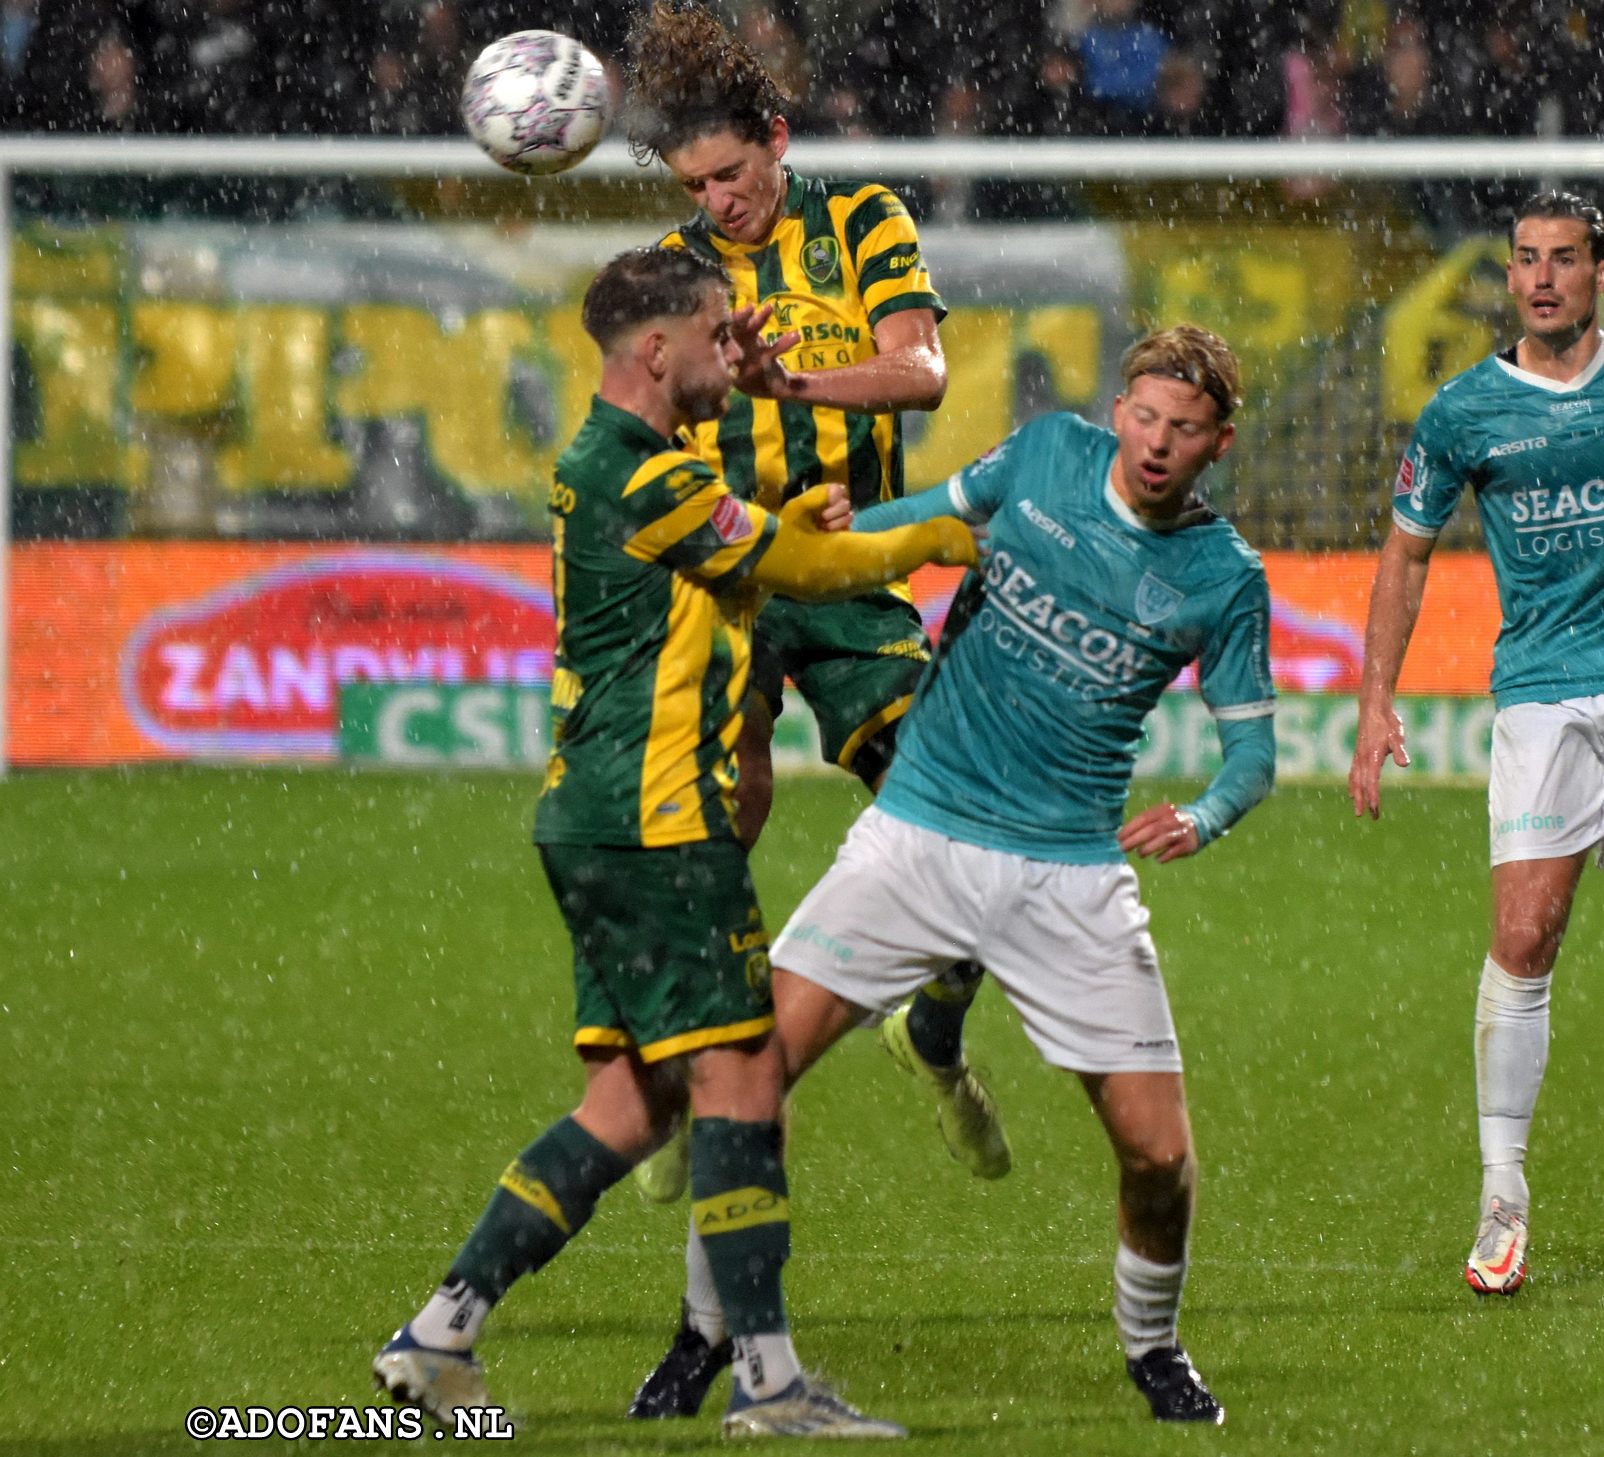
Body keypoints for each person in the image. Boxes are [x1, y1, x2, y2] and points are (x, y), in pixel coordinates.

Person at [371, 246, 975, 1439]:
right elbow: (794, 567)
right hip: (659, 822)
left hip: (593, 814)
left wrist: (791, 520)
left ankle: (440, 1332)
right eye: (713, 336)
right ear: (658, 351)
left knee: (632, 1099)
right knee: (743, 1079)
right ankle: (768, 1380)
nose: (732, 358)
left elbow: (735, 572)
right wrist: (931, 538)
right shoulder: (641, 471)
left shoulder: (620, 464)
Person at [640, 325, 1277, 1425]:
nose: (1157, 442)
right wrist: (844, 533)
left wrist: (1209, 811)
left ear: (1218, 442)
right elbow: (928, 513)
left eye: (1184, 428)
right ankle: (706, 1334)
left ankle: (1153, 1347)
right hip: (916, 836)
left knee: (1160, 1156)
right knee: (750, 1079)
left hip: (1069, 876)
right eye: (1145, 416)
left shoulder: (1223, 577)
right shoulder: (1043, 457)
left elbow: (1256, 749)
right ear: (1119, 409)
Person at [619, 2, 1011, 1413]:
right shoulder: (667, 271)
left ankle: (935, 1026)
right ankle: (692, 1084)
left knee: (962, 818)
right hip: (728, 578)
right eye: (693, 189)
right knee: (709, 845)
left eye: (730, 176)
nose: (716, 205)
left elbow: (922, 370)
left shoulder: (862, 222)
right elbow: (645, 423)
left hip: (844, 569)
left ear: (778, 143)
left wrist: (799, 379)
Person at [1346, 191, 1604, 1304]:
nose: (1541, 279)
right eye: (1526, 260)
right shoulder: (1462, 412)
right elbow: (1404, 553)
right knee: (1524, 939)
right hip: (1541, 701)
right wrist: (1374, 698)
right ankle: (1502, 1197)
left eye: (1564, 261)